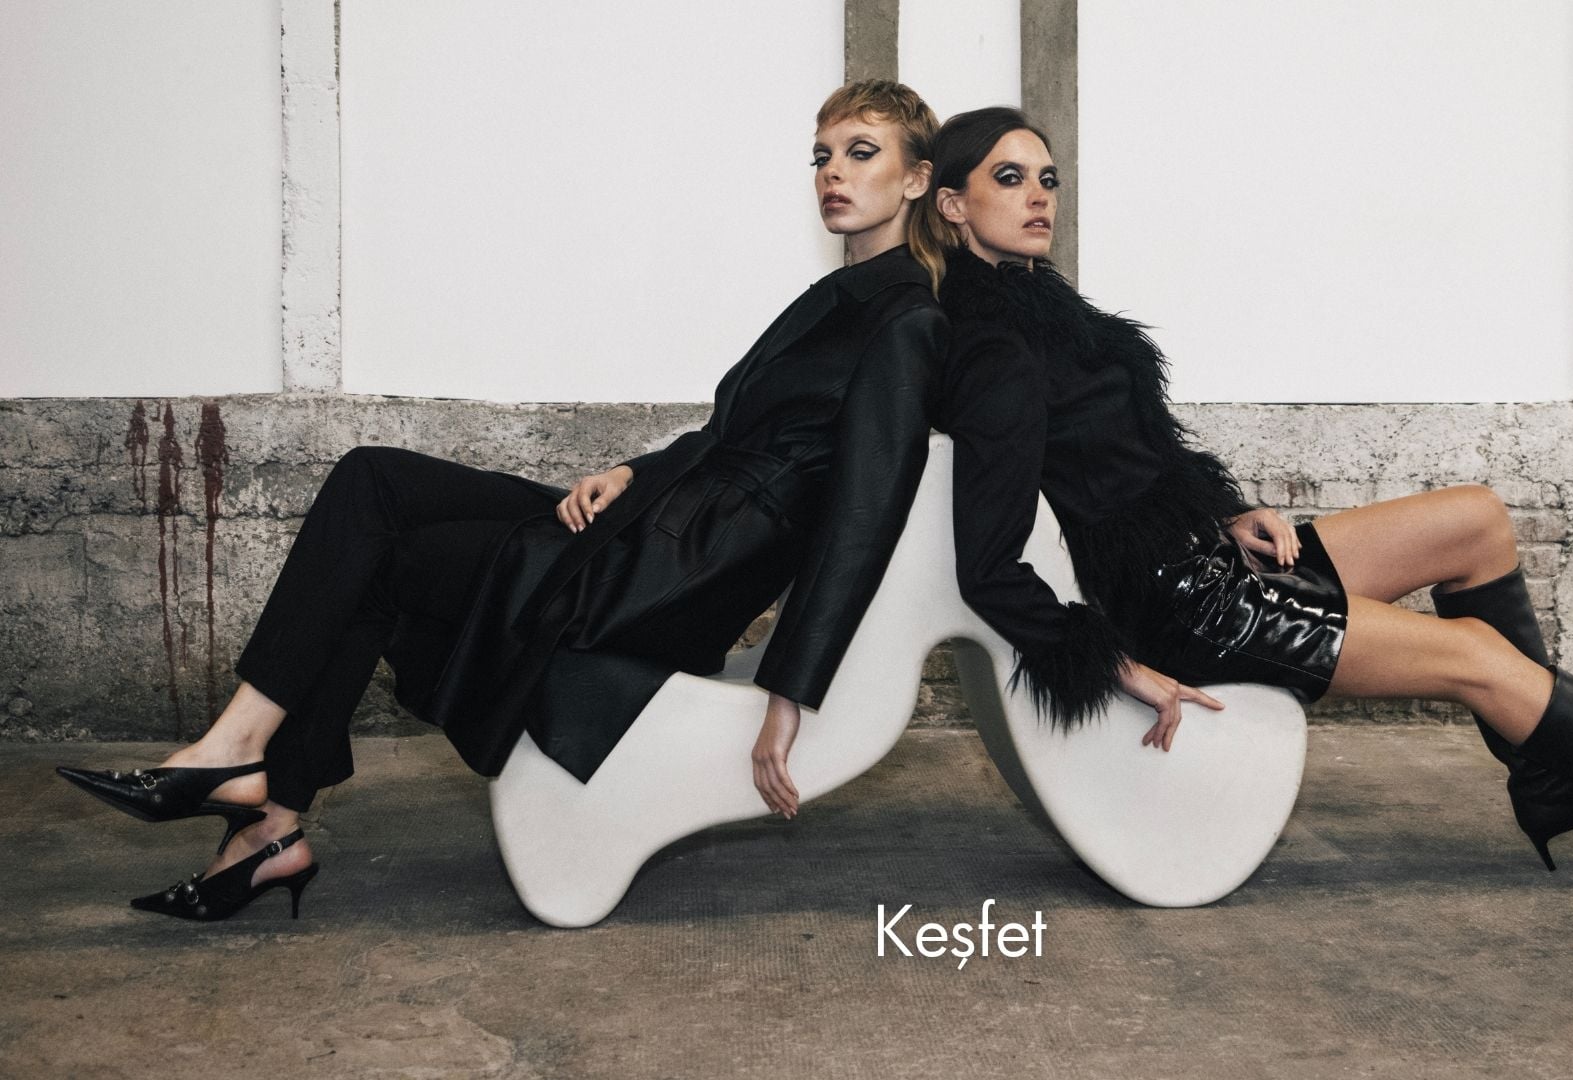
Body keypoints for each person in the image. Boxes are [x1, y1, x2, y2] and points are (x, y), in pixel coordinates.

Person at [57, 80, 952, 920]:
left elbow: (860, 519)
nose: (833, 174)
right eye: (822, 156)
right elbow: (730, 435)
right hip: (650, 530)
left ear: (916, 179)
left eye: (861, 153)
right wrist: (632, 471)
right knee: (373, 478)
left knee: (384, 562)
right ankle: (248, 773)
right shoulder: (843, 299)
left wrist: (789, 696)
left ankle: (260, 804)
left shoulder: (903, 322)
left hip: (670, 579)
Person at [924, 106, 1573, 884]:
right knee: (1478, 658)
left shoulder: (1042, 306)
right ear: (953, 203)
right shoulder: (997, 346)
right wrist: (1112, 663)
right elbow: (988, 558)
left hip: (1210, 560)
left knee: (1477, 520)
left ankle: (1549, 778)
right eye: (1009, 179)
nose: (1039, 196)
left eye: (1048, 178)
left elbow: (1122, 466)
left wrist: (1224, 513)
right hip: (1194, 610)